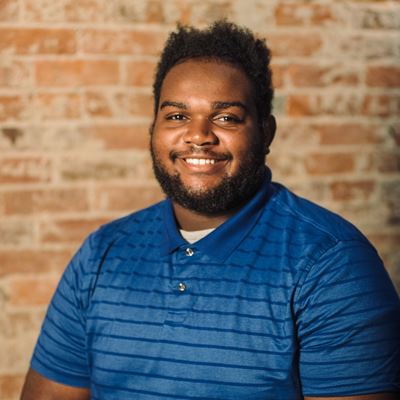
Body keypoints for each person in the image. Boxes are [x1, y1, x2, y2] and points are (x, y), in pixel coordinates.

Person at [21, 20, 400, 400]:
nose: (199, 135)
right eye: (177, 116)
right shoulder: (101, 254)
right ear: (153, 129)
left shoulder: (331, 263)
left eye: (226, 117)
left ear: (266, 133)